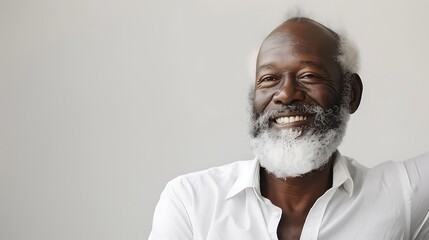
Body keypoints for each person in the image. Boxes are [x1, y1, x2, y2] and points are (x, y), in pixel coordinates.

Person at [148, 16, 429, 240]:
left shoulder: (399, 196)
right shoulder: (191, 202)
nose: (285, 93)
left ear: (351, 93)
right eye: (269, 79)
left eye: (309, 76)